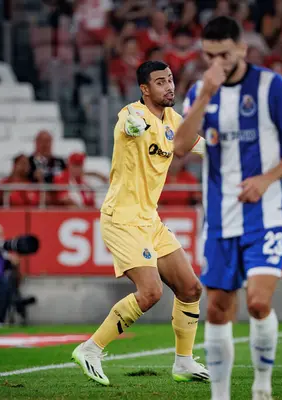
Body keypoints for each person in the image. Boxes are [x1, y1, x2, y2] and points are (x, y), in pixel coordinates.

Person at [174, 16, 282, 400]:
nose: (216, 61)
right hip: (220, 219)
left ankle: (262, 389)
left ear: (241, 49)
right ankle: (221, 397)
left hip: (265, 214)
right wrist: (203, 95)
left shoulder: (270, 86)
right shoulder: (202, 90)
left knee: (257, 301)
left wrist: (268, 179)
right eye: (208, 55)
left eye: (223, 54)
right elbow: (181, 148)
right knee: (217, 309)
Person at [71, 60, 209, 386]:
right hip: (122, 218)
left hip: (150, 220)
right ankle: (91, 349)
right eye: (160, 82)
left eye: (171, 80)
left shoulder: (174, 120)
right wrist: (135, 127)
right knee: (150, 293)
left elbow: (201, 146)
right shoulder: (130, 114)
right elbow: (129, 126)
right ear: (145, 89)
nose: (169, 87)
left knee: (190, 288)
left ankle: (184, 362)